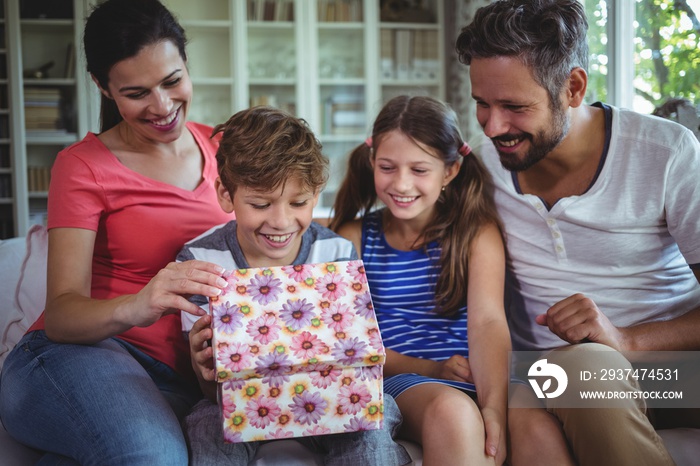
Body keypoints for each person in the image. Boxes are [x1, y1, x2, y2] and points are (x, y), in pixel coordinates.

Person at [456, 1, 700, 465]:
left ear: (572, 87)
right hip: (556, 376)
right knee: (588, 366)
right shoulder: (484, 169)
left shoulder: (665, 152)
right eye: (482, 105)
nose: (493, 126)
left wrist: (627, 340)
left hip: (673, 373)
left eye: (514, 107)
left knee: (596, 363)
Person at [0, 0, 235, 464]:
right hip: (79, 355)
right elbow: (64, 315)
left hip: (181, 379)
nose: (163, 106)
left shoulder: (226, 146)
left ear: (186, 63)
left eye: (172, 81)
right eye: (136, 92)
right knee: (152, 455)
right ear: (103, 88)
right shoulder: (83, 166)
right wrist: (142, 303)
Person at [178, 105, 412, 466]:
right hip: (234, 402)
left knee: (371, 433)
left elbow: (357, 366)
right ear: (225, 194)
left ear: (316, 194)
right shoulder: (199, 261)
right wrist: (201, 366)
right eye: (260, 203)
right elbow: (211, 389)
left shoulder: (335, 252)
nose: (281, 221)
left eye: (299, 202)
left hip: (335, 398)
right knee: (210, 428)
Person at [330, 94, 515, 466]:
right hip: (397, 380)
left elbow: (488, 322)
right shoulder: (352, 238)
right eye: (387, 167)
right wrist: (430, 369)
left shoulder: (476, 233)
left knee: (539, 431)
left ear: (450, 171)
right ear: (371, 162)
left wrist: (494, 407)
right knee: (453, 412)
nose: (401, 184)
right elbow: (345, 344)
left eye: (419, 170)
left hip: (473, 379)